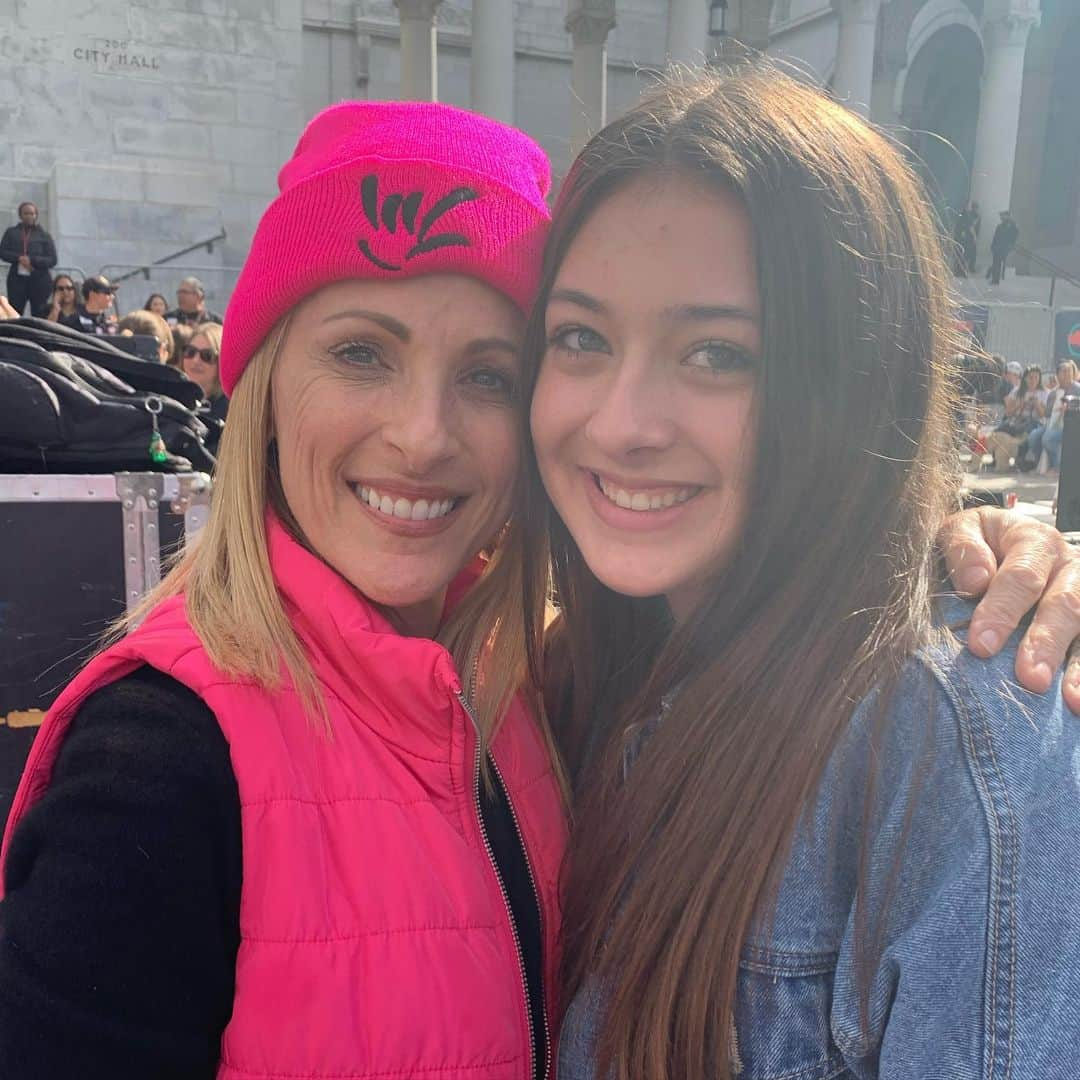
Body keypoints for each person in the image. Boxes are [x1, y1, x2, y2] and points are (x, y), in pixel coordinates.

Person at [517, 69, 1080, 1079]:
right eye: (581, 338)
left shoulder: (957, 730)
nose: (622, 423)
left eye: (719, 355)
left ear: (855, 379)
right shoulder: (566, 674)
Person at [0, 100, 568, 1080]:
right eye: (362, 353)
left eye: (491, 375)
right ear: (263, 391)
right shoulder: (154, 769)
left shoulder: (533, 684)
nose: (425, 434)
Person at [0, 202, 57, 317]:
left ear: (36, 215)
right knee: (15, 311)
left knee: (39, 313)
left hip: (39, 280)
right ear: (20, 215)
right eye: (26, 213)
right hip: (17, 280)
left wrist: (32, 260)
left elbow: (52, 259)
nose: (29, 216)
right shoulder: (11, 232)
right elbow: (3, 252)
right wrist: (19, 258)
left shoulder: (44, 235)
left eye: (32, 213)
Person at [987, 364, 1047, 470]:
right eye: (1030, 377)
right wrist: (1020, 404)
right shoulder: (1017, 391)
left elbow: (1043, 415)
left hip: (1034, 421)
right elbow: (1009, 412)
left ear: (1039, 379)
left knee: (1027, 433)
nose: (1033, 380)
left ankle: (1021, 459)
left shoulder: (1044, 393)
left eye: (1036, 377)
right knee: (1000, 430)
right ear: (1025, 378)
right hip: (1016, 420)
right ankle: (996, 458)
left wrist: (1037, 403)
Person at [1030, 358, 1080, 472]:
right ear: (1057, 375)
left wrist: (1069, 410)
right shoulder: (1053, 393)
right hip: (1053, 423)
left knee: (1048, 438)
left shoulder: (1078, 390)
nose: (1067, 374)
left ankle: (1058, 468)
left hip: (1071, 426)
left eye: (1069, 371)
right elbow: (1047, 414)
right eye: (1064, 371)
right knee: (1034, 436)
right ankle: (1041, 465)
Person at [181, 320, 227, 421]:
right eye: (190, 352)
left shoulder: (231, 408)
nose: (196, 360)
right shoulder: (174, 398)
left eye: (207, 355)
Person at [987, 208, 1019, 286]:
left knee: (997, 263)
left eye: (1003, 215)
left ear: (1007, 216)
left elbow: (1014, 236)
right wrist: (992, 246)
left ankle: (994, 278)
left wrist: (1010, 245)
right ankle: (994, 278)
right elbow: (995, 237)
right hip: (997, 247)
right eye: (1001, 216)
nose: (1001, 217)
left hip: (1003, 247)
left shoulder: (1011, 225)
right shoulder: (1000, 226)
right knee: (996, 263)